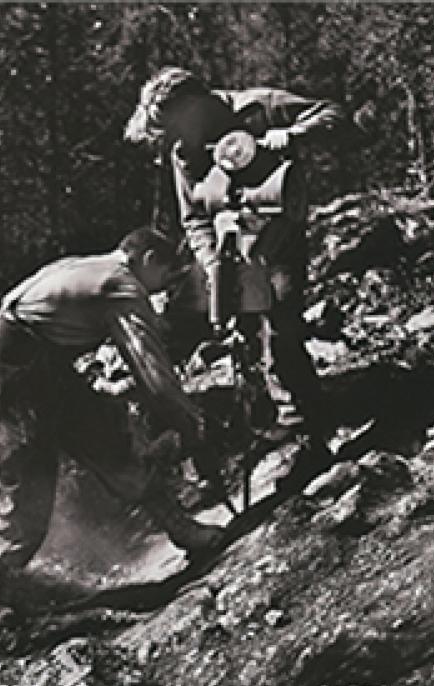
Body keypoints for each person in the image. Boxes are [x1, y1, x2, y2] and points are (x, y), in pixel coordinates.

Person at [0, 227, 225, 624]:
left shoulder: (97, 266)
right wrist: (188, 423)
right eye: (168, 274)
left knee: (109, 438)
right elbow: (151, 372)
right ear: (149, 260)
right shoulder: (121, 286)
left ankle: (180, 528)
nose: (166, 287)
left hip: (44, 366)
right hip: (8, 377)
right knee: (30, 483)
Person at [124, 67, 359, 484]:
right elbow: (193, 217)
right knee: (210, 330)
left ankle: (308, 433)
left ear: (195, 103)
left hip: (278, 239)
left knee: (282, 326)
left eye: (175, 125)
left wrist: (294, 134)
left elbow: (334, 115)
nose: (174, 139)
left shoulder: (258, 105)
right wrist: (212, 265)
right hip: (225, 248)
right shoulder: (183, 152)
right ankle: (254, 425)